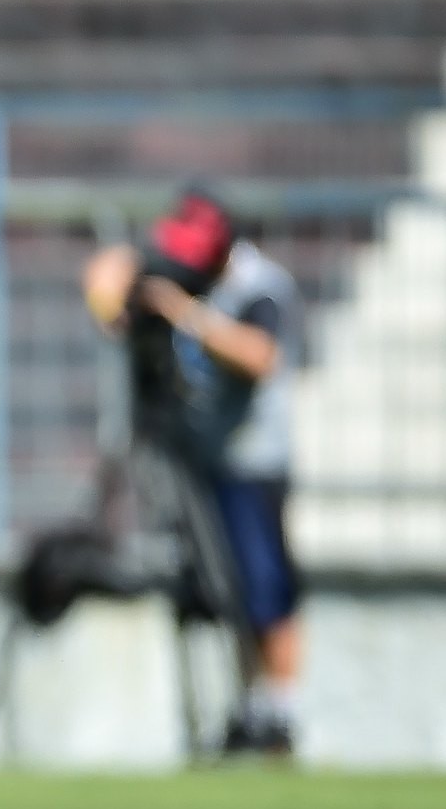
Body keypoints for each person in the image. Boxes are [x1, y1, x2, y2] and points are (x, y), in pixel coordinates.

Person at [82, 186, 304, 755]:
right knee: (229, 590)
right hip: (206, 459)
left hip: (254, 463)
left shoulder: (259, 289)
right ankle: (248, 707)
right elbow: (112, 277)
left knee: (266, 589)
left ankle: (279, 713)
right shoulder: (193, 281)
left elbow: (260, 357)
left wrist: (185, 314)